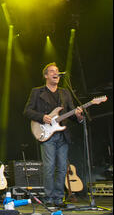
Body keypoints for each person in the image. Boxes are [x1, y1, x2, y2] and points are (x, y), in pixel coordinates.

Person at [24, 62, 83, 207]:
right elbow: (27, 111)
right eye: (52, 71)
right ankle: (48, 198)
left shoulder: (65, 93)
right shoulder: (37, 92)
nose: (56, 73)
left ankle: (58, 198)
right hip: (46, 133)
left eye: (57, 71)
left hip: (62, 134)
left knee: (62, 167)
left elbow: (70, 113)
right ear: (45, 75)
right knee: (49, 166)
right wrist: (42, 117)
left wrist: (79, 116)